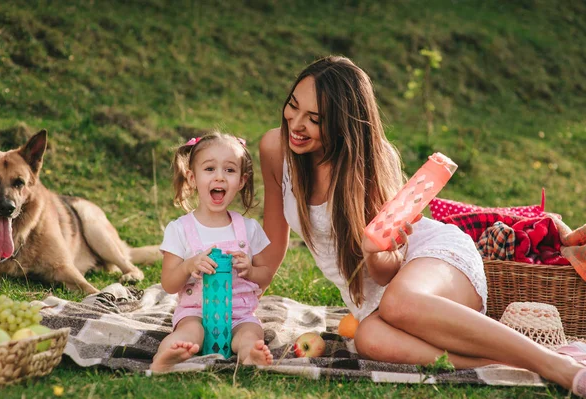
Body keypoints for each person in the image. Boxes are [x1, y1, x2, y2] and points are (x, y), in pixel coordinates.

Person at [258, 55, 586, 395]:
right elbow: (271, 246)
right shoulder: (274, 148)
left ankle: (557, 366)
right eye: (292, 107)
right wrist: (245, 302)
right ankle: (528, 358)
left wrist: (373, 252)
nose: (295, 124)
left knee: (399, 301)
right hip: (376, 305)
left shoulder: (367, 166)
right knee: (369, 339)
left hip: (431, 264)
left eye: (314, 119)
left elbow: (386, 272)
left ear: (344, 124)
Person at [151, 132, 273, 372]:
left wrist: (250, 271)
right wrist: (188, 266)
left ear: (242, 180)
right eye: (209, 169)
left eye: (229, 170)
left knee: (250, 332)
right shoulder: (180, 230)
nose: (220, 177)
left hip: (239, 315)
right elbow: (168, 284)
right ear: (192, 178)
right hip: (195, 314)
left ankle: (250, 354)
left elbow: (266, 274)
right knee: (190, 333)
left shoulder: (249, 229)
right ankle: (169, 355)